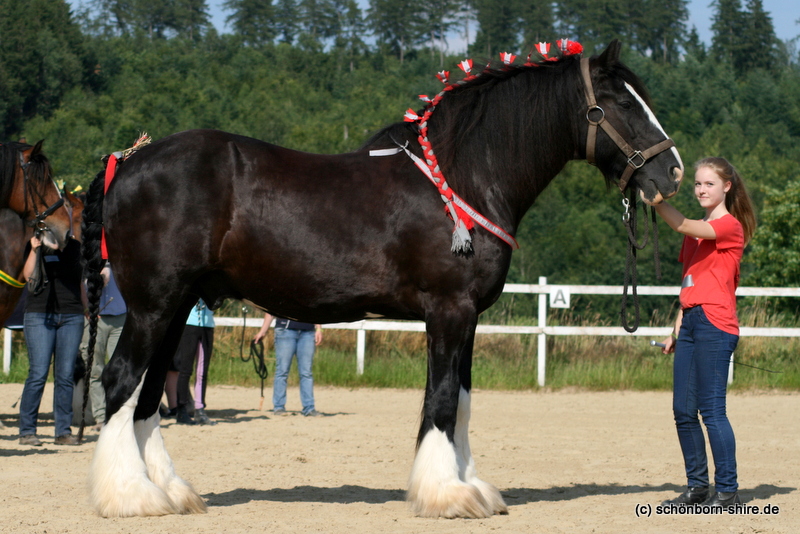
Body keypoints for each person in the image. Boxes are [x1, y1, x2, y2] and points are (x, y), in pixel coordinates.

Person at [655, 157, 756, 509]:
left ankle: (727, 490)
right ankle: (697, 488)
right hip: (692, 322)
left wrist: (656, 200)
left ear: (726, 187)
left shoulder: (729, 226)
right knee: (683, 410)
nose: (700, 189)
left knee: (712, 411)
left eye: (708, 184)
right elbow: (690, 281)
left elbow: (681, 225)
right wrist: (675, 330)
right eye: (698, 184)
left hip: (716, 323)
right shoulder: (697, 236)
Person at [18, 233, 84, 446]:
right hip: (39, 314)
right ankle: (27, 431)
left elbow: (80, 281)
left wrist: (87, 308)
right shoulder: (35, 243)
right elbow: (28, 276)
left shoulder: (75, 247)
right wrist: (35, 250)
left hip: (72, 315)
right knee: (38, 373)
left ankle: (63, 432)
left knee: (65, 376)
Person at [77, 262, 126, 431]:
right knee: (94, 369)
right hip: (94, 317)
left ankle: (117, 414)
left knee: (119, 370)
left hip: (120, 316)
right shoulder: (86, 254)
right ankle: (100, 416)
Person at [254, 313, 322, 416]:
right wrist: (263, 331)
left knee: (306, 372)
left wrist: (319, 328)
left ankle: (309, 407)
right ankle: (279, 407)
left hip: (308, 332)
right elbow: (270, 311)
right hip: (286, 331)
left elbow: (315, 308)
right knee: (282, 371)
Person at [165, 299, 217, 425]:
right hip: (189, 324)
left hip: (207, 325)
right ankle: (182, 409)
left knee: (202, 371)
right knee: (185, 370)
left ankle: (200, 408)